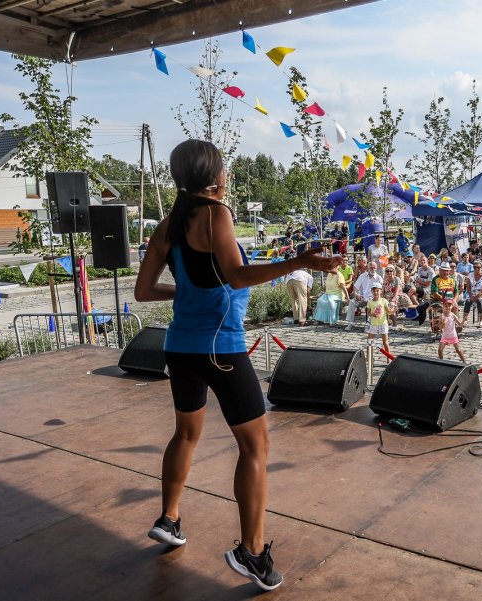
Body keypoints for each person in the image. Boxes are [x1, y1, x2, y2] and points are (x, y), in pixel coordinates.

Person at [135, 139, 340, 592]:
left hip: (180, 347)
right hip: (220, 350)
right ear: (216, 176)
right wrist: (300, 260)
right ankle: (251, 551)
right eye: (225, 168)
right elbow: (238, 276)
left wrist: (187, 295)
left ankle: (168, 519)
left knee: (185, 434)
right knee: (255, 447)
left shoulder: (168, 225)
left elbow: (144, 292)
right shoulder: (215, 214)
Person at [345, 261, 382, 330]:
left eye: (374, 268)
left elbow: (380, 292)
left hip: (372, 298)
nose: (373, 269)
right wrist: (356, 295)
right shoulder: (362, 276)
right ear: (367, 268)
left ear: (376, 268)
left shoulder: (379, 278)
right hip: (360, 298)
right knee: (352, 302)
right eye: (371, 267)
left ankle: (368, 324)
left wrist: (373, 298)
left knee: (371, 303)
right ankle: (350, 323)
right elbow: (355, 288)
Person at [365, 282, 391, 354]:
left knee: (385, 342)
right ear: (371, 291)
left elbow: (388, 312)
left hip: (383, 324)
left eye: (377, 290)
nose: (376, 292)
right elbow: (368, 313)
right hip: (374, 324)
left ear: (380, 291)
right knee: (369, 341)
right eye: (374, 291)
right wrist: (373, 315)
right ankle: (368, 357)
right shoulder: (370, 302)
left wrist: (394, 310)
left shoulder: (384, 301)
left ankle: (388, 359)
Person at [464, 260, 482, 326]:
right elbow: (468, 287)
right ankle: (465, 320)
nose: (476, 269)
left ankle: (481, 320)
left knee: (479, 301)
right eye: (475, 267)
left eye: (478, 267)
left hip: (481, 293)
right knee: (468, 301)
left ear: (481, 268)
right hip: (472, 292)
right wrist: (471, 296)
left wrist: (478, 295)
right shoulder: (470, 275)